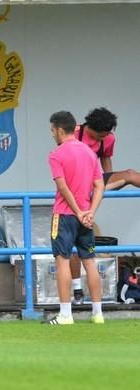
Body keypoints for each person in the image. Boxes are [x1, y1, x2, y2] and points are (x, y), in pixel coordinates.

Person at [70, 108, 140, 304]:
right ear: (89, 127)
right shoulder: (74, 133)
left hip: (96, 182)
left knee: (130, 174)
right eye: (99, 135)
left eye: (106, 135)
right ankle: (76, 290)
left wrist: (106, 183)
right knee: (74, 244)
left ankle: (85, 297)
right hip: (76, 185)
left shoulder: (108, 138)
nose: (103, 138)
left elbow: (105, 158)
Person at [45, 111, 104, 325]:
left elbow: (62, 186)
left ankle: (65, 314)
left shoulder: (56, 154)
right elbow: (99, 186)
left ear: (60, 130)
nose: (52, 134)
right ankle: (98, 314)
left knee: (62, 262)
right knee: (90, 262)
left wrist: (78, 211)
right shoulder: (90, 153)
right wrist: (90, 212)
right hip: (86, 217)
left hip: (64, 215)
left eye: (52, 130)